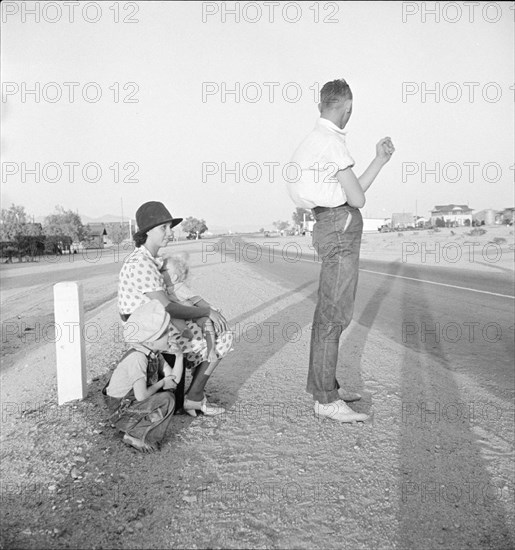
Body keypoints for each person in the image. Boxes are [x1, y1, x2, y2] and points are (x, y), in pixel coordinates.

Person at [288, 78, 395, 423]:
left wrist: (378, 161)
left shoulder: (313, 142)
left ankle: (326, 386)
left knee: (329, 313)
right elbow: (358, 199)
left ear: (321, 105)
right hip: (339, 225)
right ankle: (325, 398)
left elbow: (350, 190)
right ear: (347, 107)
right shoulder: (331, 143)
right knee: (334, 316)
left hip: (328, 223)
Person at [118, 201, 231, 417]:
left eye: (170, 227)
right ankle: (193, 397)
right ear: (147, 232)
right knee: (222, 334)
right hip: (148, 333)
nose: (170, 233)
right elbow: (168, 306)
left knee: (208, 325)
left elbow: (173, 297)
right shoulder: (141, 263)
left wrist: (200, 308)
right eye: (164, 228)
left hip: (155, 326)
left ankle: (191, 393)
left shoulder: (149, 259)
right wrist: (205, 312)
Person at [103, 300, 183, 452]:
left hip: (131, 403)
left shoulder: (153, 354)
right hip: (120, 409)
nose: (170, 335)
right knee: (166, 399)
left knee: (168, 397)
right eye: (165, 333)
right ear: (150, 341)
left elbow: (173, 381)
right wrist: (161, 384)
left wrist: (179, 356)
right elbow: (141, 395)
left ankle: (135, 428)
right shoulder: (138, 358)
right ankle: (136, 435)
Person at [162, 253, 233, 366]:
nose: (160, 272)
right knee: (174, 316)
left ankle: (211, 349)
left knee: (206, 322)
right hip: (179, 313)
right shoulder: (163, 288)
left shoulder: (180, 287)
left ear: (174, 277)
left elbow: (197, 300)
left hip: (192, 312)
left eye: (164, 270)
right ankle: (184, 330)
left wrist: (210, 309)